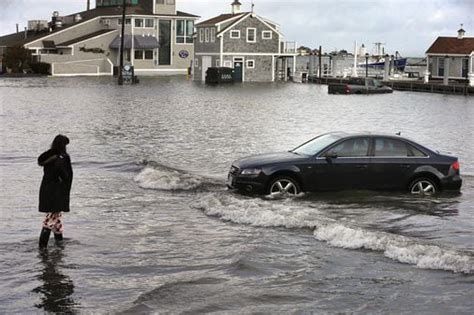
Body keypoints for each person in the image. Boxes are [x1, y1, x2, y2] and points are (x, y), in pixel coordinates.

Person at [38, 135, 73, 249]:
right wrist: (64, 178)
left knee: (56, 219)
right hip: (57, 192)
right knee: (50, 219)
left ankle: (59, 244)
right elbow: (65, 174)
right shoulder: (62, 158)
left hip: (46, 190)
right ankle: (42, 247)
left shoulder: (49, 156)